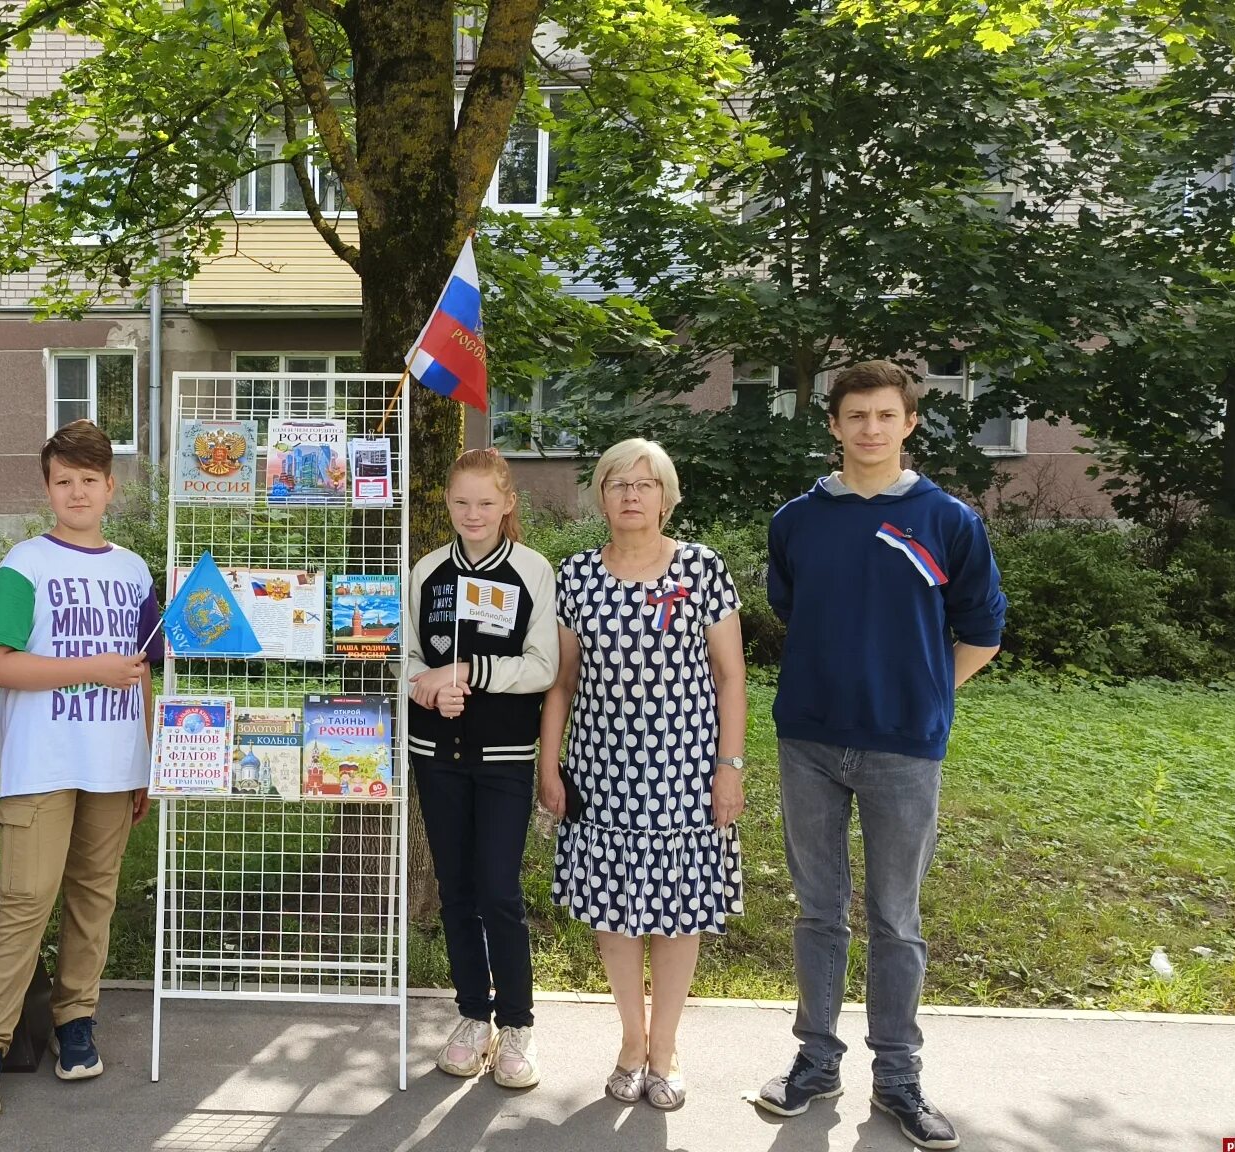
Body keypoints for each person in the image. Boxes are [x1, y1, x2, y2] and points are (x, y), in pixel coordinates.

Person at [748, 360, 1005, 1151]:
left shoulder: (948, 520)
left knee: (897, 917)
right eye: (854, 415)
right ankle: (815, 1061)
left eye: (884, 415)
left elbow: (983, 633)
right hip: (811, 741)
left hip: (904, 749)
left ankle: (898, 1078)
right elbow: (791, 607)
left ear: (908, 422)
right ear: (832, 425)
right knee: (819, 912)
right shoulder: (798, 520)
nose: (869, 428)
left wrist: (927, 695)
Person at [0, 419, 160, 1120]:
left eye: (89, 481)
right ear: (48, 487)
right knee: (24, 901)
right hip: (41, 763)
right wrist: (90, 668)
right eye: (64, 480)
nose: (77, 492)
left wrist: (147, 758)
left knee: (93, 897)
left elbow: (142, 676)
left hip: (114, 759)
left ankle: (76, 1022)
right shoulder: (21, 566)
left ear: (110, 488)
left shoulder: (134, 571)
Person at [539, 437, 746, 1113]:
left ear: (666, 494)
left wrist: (730, 768)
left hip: (686, 770)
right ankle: (631, 1043)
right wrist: (551, 761)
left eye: (645, 483)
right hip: (601, 771)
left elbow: (730, 677)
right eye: (618, 483)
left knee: (678, 913)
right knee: (615, 912)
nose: (632, 495)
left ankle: (667, 1049)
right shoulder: (576, 577)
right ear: (600, 495)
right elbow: (562, 684)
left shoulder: (701, 570)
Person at [402, 447, 559, 1089]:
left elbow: (544, 665)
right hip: (435, 757)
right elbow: (405, 655)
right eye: (462, 502)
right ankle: (472, 1016)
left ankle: (516, 1025)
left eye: (485, 502)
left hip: (503, 758)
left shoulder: (532, 571)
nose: (473, 513)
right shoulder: (426, 571)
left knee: (498, 891)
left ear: (507, 504)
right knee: (457, 892)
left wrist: (471, 674)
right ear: (447, 504)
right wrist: (426, 686)